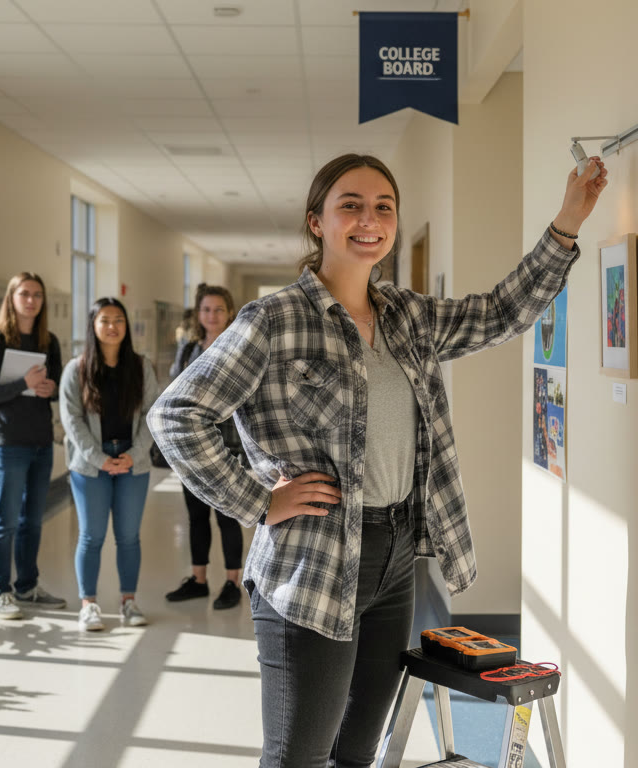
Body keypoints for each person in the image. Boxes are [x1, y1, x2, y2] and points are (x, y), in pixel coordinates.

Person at [148, 152, 608, 767]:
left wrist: (567, 222)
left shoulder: (409, 318)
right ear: (317, 222)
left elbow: (501, 314)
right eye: (351, 206)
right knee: (298, 757)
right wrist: (259, 501)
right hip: (310, 560)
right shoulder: (274, 320)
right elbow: (176, 414)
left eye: (383, 207)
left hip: (394, 559)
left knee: (358, 752)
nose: (370, 220)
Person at [59, 298, 162, 631]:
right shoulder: (76, 369)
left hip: (133, 461)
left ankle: (128, 602)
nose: (113, 326)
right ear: (93, 325)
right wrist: (101, 459)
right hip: (90, 465)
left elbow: (152, 414)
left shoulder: (140, 366)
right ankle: (88, 604)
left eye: (119, 319)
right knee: (91, 536)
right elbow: (71, 420)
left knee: (129, 537)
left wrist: (135, 453)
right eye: (105, 320)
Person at [0, 271, 66, 620]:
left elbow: (55, 383)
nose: (31, 300)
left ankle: (27, 585)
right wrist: (21, 383)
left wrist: (47, 388)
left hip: (40, 440)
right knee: (5, 520)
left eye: (37, 295)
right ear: (11, 298)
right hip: (7, 442)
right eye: (24, 294)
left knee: (33, 521)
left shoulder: (48, 341)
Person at [163, 284, 247, 610]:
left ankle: (231, 583)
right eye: (206, 310)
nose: (212, 316)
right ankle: (198, 580)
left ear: (229, 313)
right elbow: (174, 392)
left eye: (218, 310)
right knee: (196, 516)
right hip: (191, 446)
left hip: (228, 446)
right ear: (199, 314)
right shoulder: (187, 350)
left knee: (228, 516)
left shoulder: (239, 347)